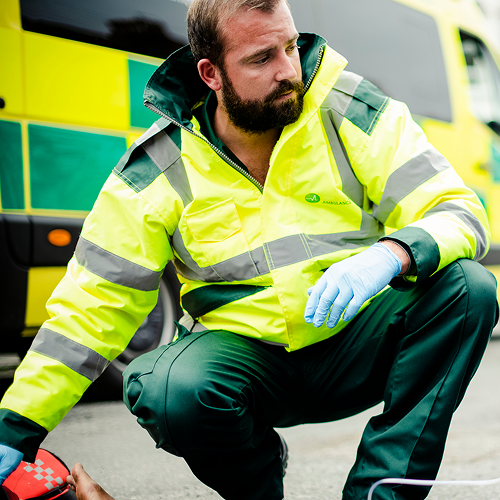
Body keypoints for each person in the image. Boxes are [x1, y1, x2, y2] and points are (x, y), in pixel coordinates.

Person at [0, 0, 498, 498]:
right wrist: (16, 426)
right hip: (251, 370)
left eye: (291, 46)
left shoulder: (351, 111)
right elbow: (88, 310)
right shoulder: (157, 168)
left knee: (468, 289)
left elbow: (461, 211)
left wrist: (392, 254)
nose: (289, 72)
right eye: (262, 58)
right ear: (210, 73)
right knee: (168, 387)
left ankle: (380, 493)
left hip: (356, 346)